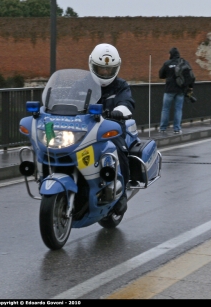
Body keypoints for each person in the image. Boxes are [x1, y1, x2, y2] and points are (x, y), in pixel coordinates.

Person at [89, 43, 135, 216]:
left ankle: (122, 193)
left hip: (111, 128)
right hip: (85, 128)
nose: (105, 73)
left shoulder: (121, 86)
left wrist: (119, 112)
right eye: (101, 69)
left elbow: (127, 103)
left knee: (119, 149)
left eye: (109, 70)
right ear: (92, 65)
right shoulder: (83, 83)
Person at [158, 47, 195, 134]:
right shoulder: (184, 63)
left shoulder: (167, 63)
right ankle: (177, 129)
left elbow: (161, 75)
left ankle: (163, 128)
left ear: (171, 54)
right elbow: (191, 76)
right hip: (180, 90)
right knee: (178, 109)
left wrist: (169, 75)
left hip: (169, 90)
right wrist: (190, 87)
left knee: (165, 109)